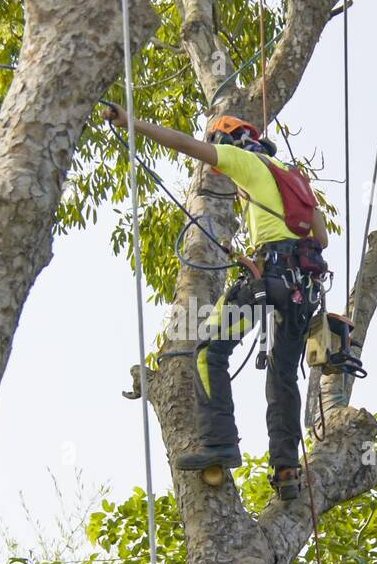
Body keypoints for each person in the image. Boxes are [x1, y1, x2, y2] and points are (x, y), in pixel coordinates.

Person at [101, 104, 329, 500]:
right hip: (302, 292)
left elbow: (185, 145)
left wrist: (129, 122)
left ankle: (219, 442)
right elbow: (321, 239)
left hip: (271, 282)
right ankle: (287, 468)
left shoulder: (246, 161)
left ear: (231, 143)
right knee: (283, 375)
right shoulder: (296, 182)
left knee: (209, 349)